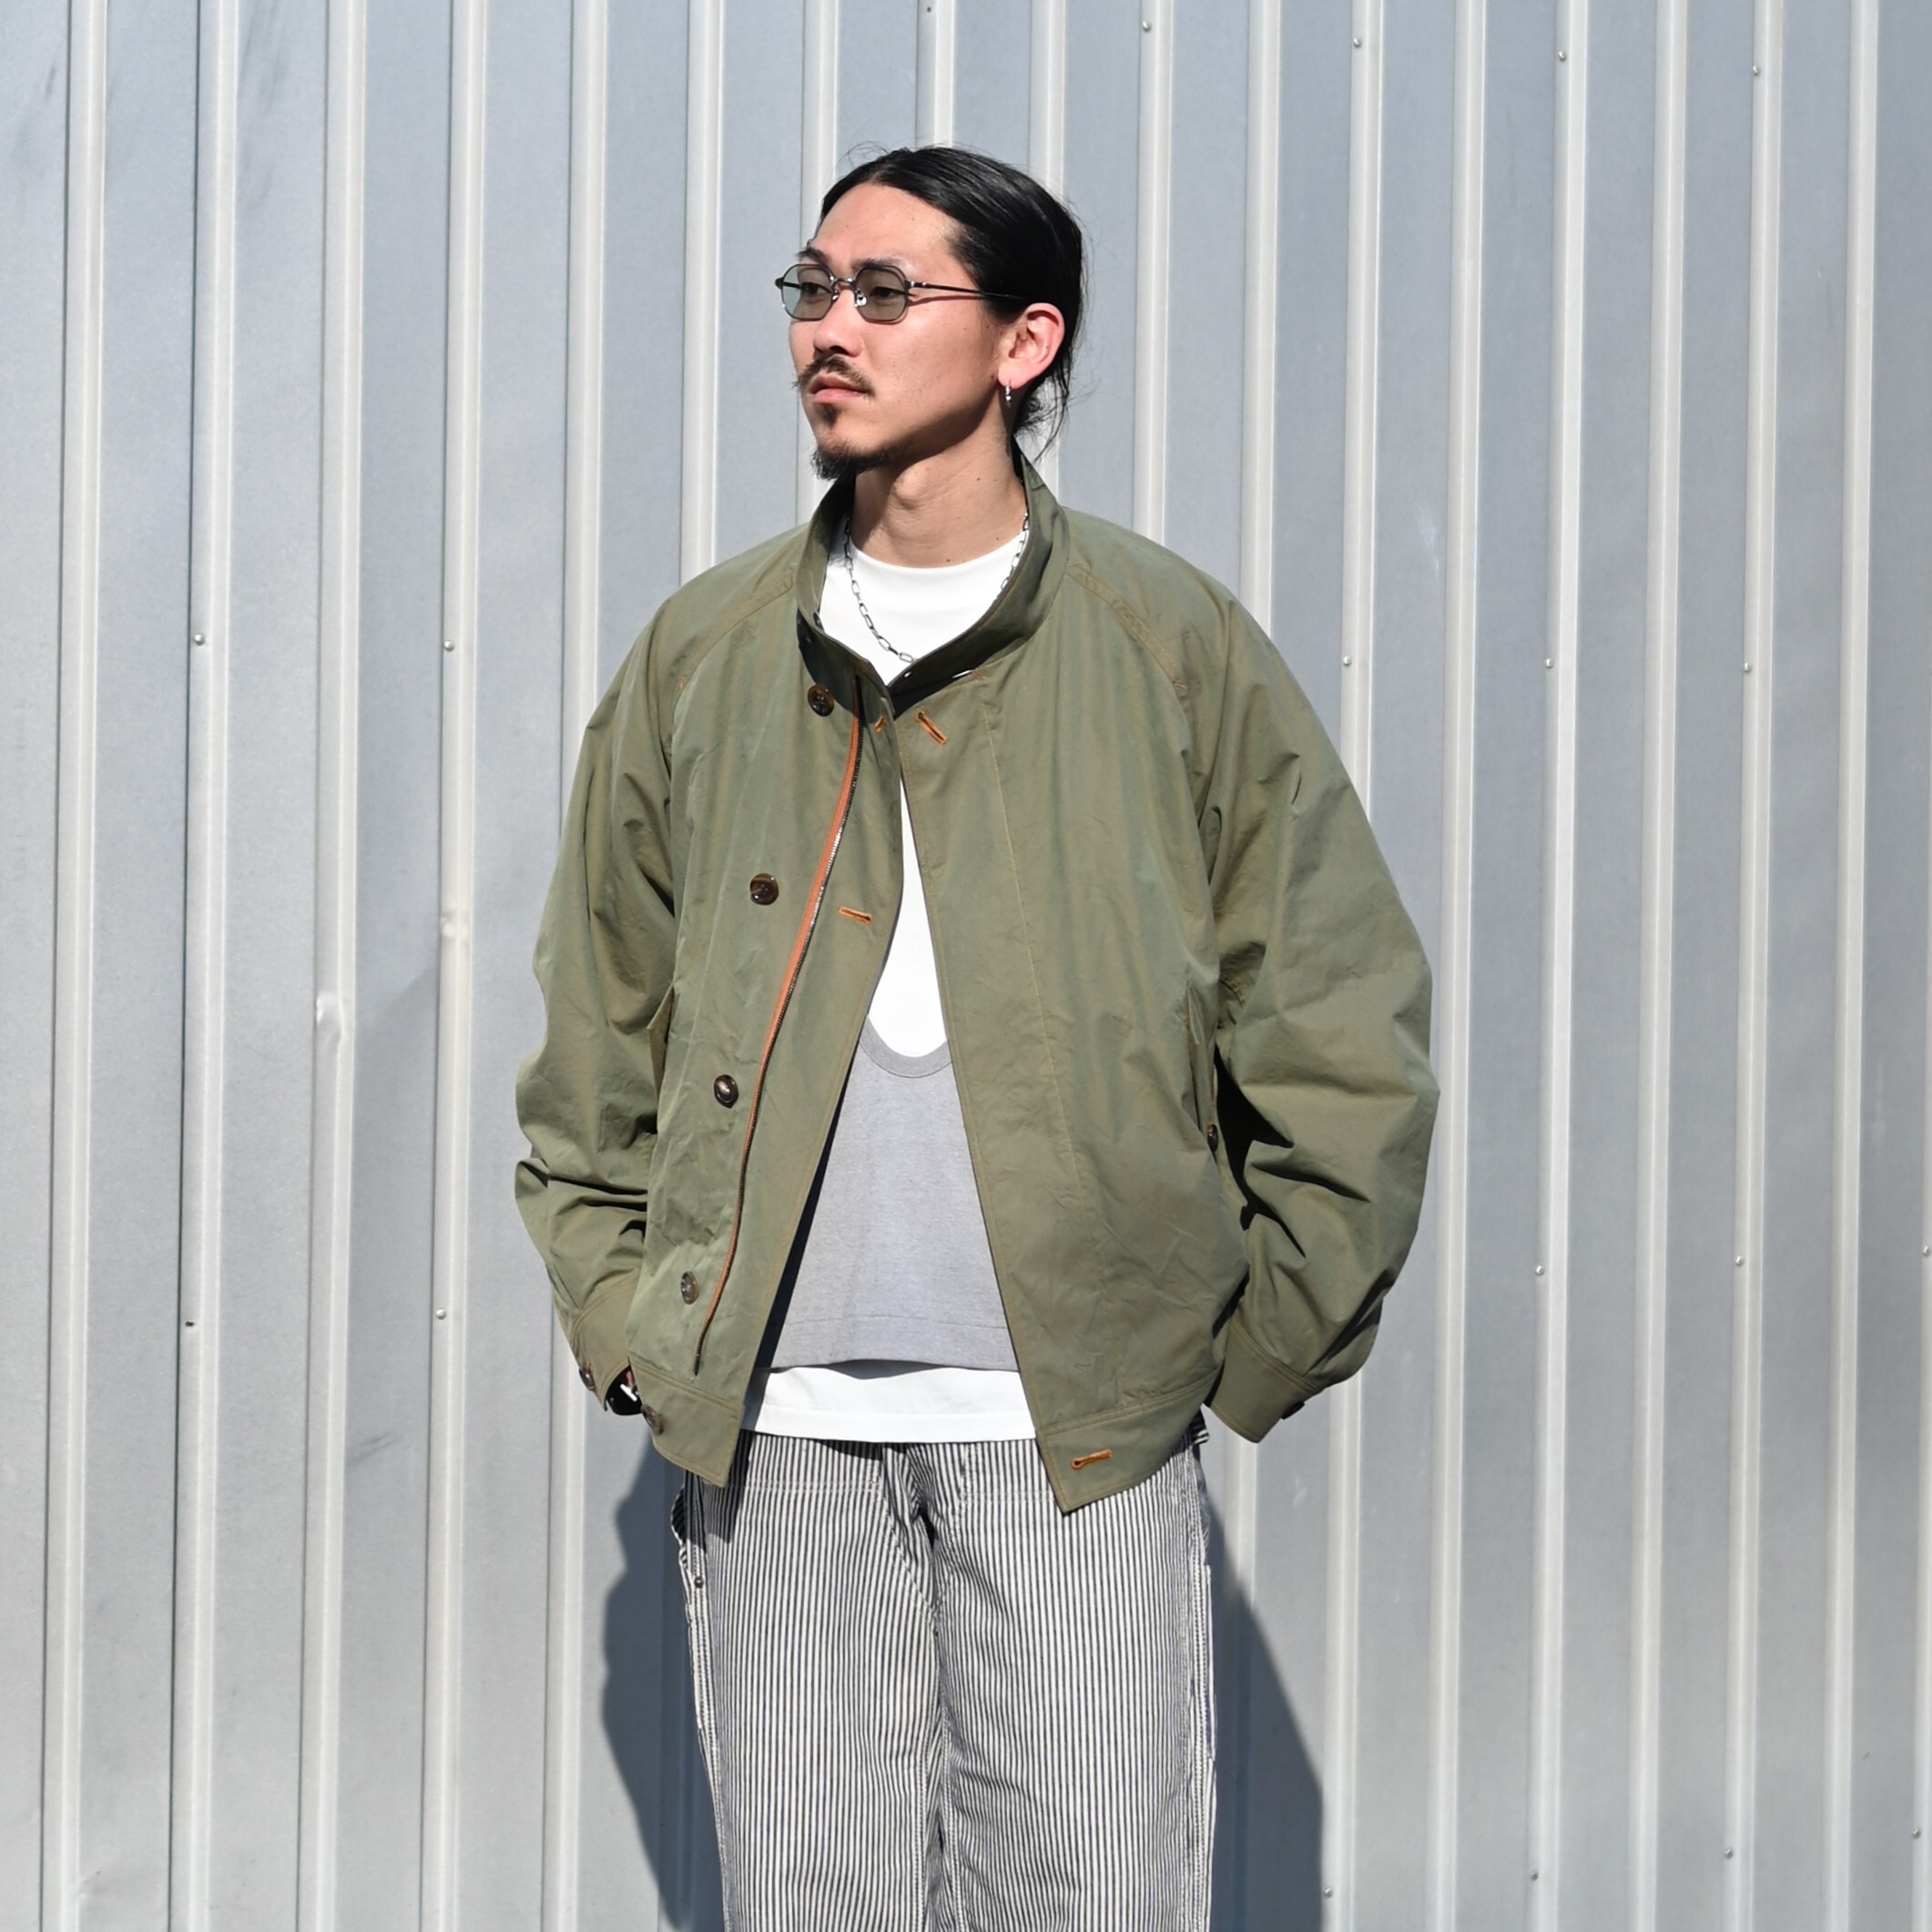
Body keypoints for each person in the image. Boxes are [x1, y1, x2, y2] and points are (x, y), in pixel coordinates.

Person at [515, 144, 1438, 1931]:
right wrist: (630, 1317)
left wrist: (1245, 1340)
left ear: (1025, 341)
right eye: (810, 288)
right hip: (768, 1423)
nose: (828, 330)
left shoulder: (1166, 646)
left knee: (1088, 1893)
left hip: (1072, 1421)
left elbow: (1335, 1017)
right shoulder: (712, 652)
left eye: (884, 292)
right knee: (811, 1900)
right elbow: (595, 1027)